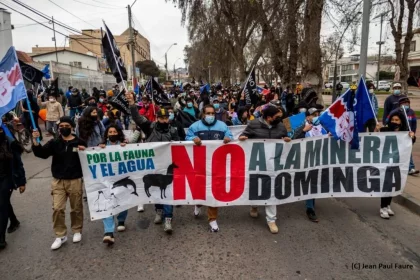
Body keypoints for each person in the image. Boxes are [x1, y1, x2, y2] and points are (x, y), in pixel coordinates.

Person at [127, 93, 180, 233]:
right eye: (161, 118)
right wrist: (132, 104)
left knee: (167, 192)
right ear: (157, 118)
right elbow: (137, 118)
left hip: (167, 167)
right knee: (156, 189)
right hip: (153, 166)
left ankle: (168, 218)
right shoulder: (149, 127)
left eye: (166, 118)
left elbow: (180, 146)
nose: (164, 120)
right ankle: (158, 211)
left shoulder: (173, 130)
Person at [32, 117, 86, 250]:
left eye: (67, 125)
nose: (64, 127)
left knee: (76, 207)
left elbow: (91, 157)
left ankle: (77, 230)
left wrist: (84, 151)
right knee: (57, 208)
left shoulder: (79, 142)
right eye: (61, 125)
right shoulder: (55, 142)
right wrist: (35, 140)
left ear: (72, 127)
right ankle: (60, 235)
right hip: (58, 181)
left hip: (75, 180)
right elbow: (42, 154)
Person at [238, 106, 291, 234]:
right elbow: (243, 135)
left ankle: (271, 220)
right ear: (268, 118)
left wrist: (286, 139)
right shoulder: (254, 124)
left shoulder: (281, 126)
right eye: (277, 117)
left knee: (272, 190)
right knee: (257, 187)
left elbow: (285, 136)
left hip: (273, 164)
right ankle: (254, 206)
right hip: (258, 163)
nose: (279, 119)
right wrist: (243, 138)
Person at [186, 104, 234, 232]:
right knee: (201, 188)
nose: (211, 116)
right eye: (208, 113)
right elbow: (186, 139)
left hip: (217, 165)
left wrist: (229, 138)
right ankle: (198, 204)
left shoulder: (222, 126)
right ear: (203, 114)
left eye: (213, 113)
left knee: (214, 191)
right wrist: (192, 138)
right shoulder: (194, 127)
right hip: (200, 164)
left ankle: (212, 219)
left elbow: (230, 136)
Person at [378, 110, 416, 218]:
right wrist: (377, 130)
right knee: (386, 184)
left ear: (401, 121)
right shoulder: (385, 130)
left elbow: (411, 142)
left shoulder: (405, 132)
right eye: (393, 120)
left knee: (393, 185)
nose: (394, 122)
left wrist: (412, 136)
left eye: (397, 120)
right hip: (385, 163)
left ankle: (388, 205)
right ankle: (382, 207)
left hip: (398, 163)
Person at [98, 125, 129, 245]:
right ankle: (108, 232)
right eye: (110, 132)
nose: (112, 133)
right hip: (107, 180)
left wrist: (126, 146)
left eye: (114, 131)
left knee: (122, 200)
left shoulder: (123, 144)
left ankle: (121, 220)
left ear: (118, 133)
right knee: (106, 202)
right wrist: (99, 149)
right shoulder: (101, 146)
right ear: (106, 134)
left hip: (121, 178)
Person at [0, 126, 26, 249]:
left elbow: (18, 163)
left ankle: (1, 239)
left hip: (7, 178)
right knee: (3, 203)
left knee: (2, 205)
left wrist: (22, 182)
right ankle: (14, 221)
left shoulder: (10, 143)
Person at [302, 108, 328, 222]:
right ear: (308, 117)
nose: (316, 117)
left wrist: (329, 136)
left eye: (317, 114)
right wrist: (303, 130)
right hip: (306, 160)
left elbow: (325, 139)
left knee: (315, 182)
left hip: (319, 160)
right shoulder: (303, 127)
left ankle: (311, 202)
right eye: (313, 115)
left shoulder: (321, 128)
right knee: (310, 182)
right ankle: (309, 208)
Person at [387, 96, 419, 175]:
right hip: (397, 135)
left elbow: (414, 124)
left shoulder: (411, 112)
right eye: (404, 103)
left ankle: (411, 167)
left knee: (408, 151)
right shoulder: (394, 112)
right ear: (400, 104)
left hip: (407, 135)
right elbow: (388, 121)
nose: (406, 104)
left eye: (407, 103)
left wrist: (413, 133)